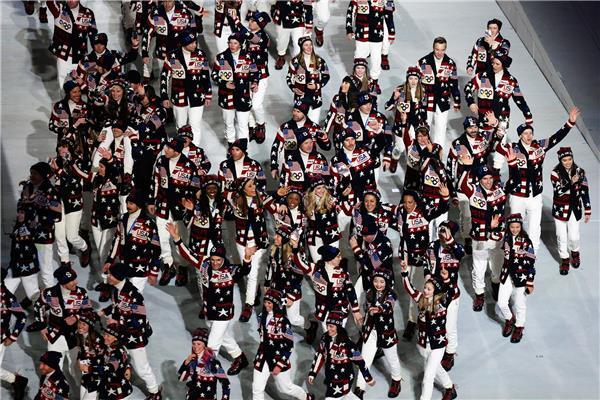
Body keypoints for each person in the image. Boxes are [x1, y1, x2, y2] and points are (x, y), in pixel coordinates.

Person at [169, 231, 253, 376]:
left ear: (223, 259)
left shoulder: (230, 271)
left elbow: (244, 270)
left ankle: (203, 375)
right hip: (209, 311)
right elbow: (187, 255)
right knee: (222, 336)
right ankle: (240, 357)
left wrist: (247, 257)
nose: (215, 263)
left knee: (212, 345)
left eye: (218, 260)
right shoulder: (204, 263)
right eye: (213, 259)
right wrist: (177, 238)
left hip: (223, 314)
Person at [496, 107, 580, 251]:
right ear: (520, 135)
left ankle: (532, 254)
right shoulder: (512, 148)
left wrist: (570, 123)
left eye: (530, 133)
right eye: (525, 133)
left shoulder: (540, 146)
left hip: (535, 195)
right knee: (515, 225)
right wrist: (498, 132)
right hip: (517, 195)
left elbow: (556, 138)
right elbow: (498, 147)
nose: (529, 135)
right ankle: (515, 252)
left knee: (535, 227)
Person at [392, 187, 449, 340]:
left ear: (416, 202)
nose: (407, 205)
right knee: (410, 288)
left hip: (422, 260)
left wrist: (445, 197)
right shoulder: (400, 212)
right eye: (405, 202)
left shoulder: (424, 212)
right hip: (406, 258)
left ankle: (417, 320)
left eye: (410, 202)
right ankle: (414, 319)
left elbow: (441, 209)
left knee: (421, 289)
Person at [99, 262, 162, 399]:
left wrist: (118, 322)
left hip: (134, 336)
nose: (108, 276)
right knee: (120, 359)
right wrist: (104, 311)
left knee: (142, 368)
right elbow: (118, 306)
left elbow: (140, 319)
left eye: (111, 275)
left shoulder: (134, 295)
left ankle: (155, 392)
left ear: (119, 277)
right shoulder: (117, 289)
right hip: (121, 334)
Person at [464, 48, 532, 170]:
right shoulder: (482, 76)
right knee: (482, 143)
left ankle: (496, 170)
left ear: (503, 65)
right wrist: (471, 102)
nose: (494, 66)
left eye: (497, 64)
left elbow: (519, 99)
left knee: (501, 141)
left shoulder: (511, 81)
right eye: (493, 63)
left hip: (502, 117)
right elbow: (468, 88)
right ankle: (481, 169)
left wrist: (527, 115)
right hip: (484, 116)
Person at [400, 261, 457, 400]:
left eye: (429, 289)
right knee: (437, 368)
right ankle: (450, 387)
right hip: (423, 345)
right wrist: (404, 272)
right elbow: (409, 288)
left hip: (438, 345)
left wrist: (447, 279)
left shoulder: (442, 302)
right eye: (425, 287)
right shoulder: (421, 299)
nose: (425, 290)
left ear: (436, 291)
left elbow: (452, 291)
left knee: (428, 378)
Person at [446, 114, 503, 253]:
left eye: (475, 126)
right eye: (470, 127)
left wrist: (497, 126)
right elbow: (450, 166)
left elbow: (497, 139)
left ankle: (484, 235)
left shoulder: (483, 138)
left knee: (481, 213)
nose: (473, 129)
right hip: (464, 185)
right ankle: (467, 238)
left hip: (481, 185)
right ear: (465, 128)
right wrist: (452, 191)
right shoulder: (458, 144)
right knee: (466, 215)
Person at [149, 136, 200, 286]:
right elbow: (155, 181)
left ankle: (182, 267)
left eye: (169, 148)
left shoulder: (190, 166)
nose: (166, 150)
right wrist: (152, 201)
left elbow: (195, 189)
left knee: (180, 238)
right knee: (163, 237)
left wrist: (190, 205)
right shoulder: (161, 161)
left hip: (180, 209)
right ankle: (168, 265)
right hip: (163, 205)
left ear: (177, 151)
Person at [458, 162, 506, 311]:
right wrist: (466, 167)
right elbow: (462, 184)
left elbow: (516, 180)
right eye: (485, 178)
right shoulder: (473, 191)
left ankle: (496, 285)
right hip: (479, 238)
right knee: (479, 268)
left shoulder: (500, 189)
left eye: (490, 178)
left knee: (497, 265)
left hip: (497, 236)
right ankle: (479, 296)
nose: (488, 181)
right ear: (479, 179)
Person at [225, 177, 275, 321]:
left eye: (254, 185)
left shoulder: (260, 197)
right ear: (242, 189)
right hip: (242, 243)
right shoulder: (235, 199)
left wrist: (278, 197)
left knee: (252, 274)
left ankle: (248, 305)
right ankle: (254, 291)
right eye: (250, 186)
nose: (254, 188)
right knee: (247, 271)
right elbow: (223, 192)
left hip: (258, 242)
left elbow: (274, 206)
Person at [29, 266, 92, 379]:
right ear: (63, 282)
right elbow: (38, 307)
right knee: (53, 368)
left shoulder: (81, 293)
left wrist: (76, 317)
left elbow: (88, 311)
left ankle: (80, 388)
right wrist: (42, 326)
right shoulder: (49, 293)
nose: (76, 282)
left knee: (76, 368)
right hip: (55, 335)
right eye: (71, 281)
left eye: (75, 279)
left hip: (76, 336)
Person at [252, 289, 314, 400]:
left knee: (285, 388)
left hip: (278, 358)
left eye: (269, 303)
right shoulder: (261, 317)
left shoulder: (284, 322)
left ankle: (305, 397)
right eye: (265, 302)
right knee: (257, 389)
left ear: (275, 303)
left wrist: (280, 364)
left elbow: (289, 346)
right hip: (262, 357)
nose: (266, 305)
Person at [291, 244, 362, 336]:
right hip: (324, 311)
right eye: (338, 256)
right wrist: (295, 247)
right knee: (328, 334)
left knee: (339, 333)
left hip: (340, 310)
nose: (340, 258)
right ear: (330, 259)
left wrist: (356, 311)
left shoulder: (343, 273)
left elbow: (350, 291)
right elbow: (300, 263)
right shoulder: (315, 270)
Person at [354, 269, 402, 399]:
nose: (378, 284)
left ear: (387, 282)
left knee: (392, 359)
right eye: (376, 281)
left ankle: (396, 380)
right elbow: (366, 309)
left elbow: (388, 305)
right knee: (364, 361)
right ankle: (360, 387)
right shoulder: (370, 292)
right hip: (371, 331)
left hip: (386, 333)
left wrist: (379, 309)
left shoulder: (391, 295)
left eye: (382, 281)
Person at [160, 30, 212, 147]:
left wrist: (208, 94)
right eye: (191, 43)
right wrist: (164, 97)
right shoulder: (172, 57)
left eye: (195, 42)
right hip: (179, 97)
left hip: (197, 96)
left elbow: (205, 75)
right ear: (184, 44)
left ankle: (195, 150)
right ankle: (181, 149)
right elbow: (164, 77)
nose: (195, 45)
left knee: (195, 125)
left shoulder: (201, 55)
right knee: (180, 126)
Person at [103, 190, 161, 295]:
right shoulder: (122, 218)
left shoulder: (149, 223)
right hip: (124, 266)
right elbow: (117, 240)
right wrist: (110, 260)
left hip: (140, 268)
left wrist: (154, 271)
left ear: (139, 205)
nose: (127, 206)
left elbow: (156, 248)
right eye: (127, 203)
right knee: (122, 296)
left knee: (135, 297)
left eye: (131, 203)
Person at [425, 221, 465, 371]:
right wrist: (427, 275)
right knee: (432, 321)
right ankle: (435, 346)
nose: (442, 232)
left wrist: (449, 240)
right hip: (433, 294)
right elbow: (426, 262)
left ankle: (450, 353)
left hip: (450, 294)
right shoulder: (432, 246)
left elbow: (461, 254)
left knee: (449, 326)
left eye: (446, 230)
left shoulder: (456, 248)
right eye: (441, 229)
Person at [307, 312, 375, 399]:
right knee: (347, 395)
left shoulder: (348, 344)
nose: (328, 329)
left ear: (338, 327)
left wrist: (368, 377)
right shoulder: (325, 338)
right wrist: (313, 373)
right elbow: (320, 355)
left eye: (331, 326)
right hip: (331, 377)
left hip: (343, 380)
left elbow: (360, 361)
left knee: (335, 396)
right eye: (327, 325)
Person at [18, 162, 62, 288]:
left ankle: (50, 292)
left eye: (35, 174)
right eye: (31, 173)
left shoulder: (50, 190)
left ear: (43, 175)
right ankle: (33, 294)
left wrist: (42, 202)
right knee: (28, 265)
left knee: (45, 266)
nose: (32, 176)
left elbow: (58, 211)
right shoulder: (28, 188)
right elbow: (21, 205)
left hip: (42, 235)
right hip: (27, 233)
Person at [50, 138, 92, 269]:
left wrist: (60, 170)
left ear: (71, 148)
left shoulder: (78, 161)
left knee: (72, 237)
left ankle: (85, 248)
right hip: (57, 202)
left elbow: (84, 178)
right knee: (59, 235)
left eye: (65, 147)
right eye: (60, 147)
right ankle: (65, 261)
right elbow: (46, 177)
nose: (61, 149)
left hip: (73, 202)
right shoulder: (54, 161)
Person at [212, 32, 259, 144]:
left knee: (243, 125)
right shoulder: (221, 57)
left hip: (243, 95)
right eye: (230, 42)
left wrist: (255, 83)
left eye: (235, 43)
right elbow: (214, 75)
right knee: (229, 123)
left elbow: (255, 72)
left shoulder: (249, 57)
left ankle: (243, 148)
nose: (232, 45)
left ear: (241, 44)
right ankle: (231, 143)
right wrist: (224, 83)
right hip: (226, 96)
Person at [551, 146, 591, 274]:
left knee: (574, 236)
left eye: (570, 159)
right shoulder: (555, 173)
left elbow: (584, 191)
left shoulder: (580, 171)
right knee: (561, 236)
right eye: (564, 160)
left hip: (574, 208)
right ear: (560, 160)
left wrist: (587, 209)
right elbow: (558, 192)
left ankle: (575, 253)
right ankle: (564, 259)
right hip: (560, 209)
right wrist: (571, 183)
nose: (568, 162)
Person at [497, 213, 536, 344]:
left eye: (517, 227)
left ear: (521, 226)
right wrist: (498, 222)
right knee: (502, 303)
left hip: (521, 277)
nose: (515, 229)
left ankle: (519, 326)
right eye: (512, 227)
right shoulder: (506, 238)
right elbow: (494, 233)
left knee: (520, 304)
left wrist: (530, 282)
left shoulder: (526, 241)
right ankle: (509, 319)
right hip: (507, 274)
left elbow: (531, 262)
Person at [417, 37, 461, 150]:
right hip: (426, 100)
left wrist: (457, 100)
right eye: (437, 49)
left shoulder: (450, 64)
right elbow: (415, 81)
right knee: (424, 127)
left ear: (445, 49)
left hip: (443, 100)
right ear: (433, 48)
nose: (439, 53)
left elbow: (454, 83)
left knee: (441, 128)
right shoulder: (423, 62)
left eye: (442, 50)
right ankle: (424, 152)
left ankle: (437, 153)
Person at [235, 11, 271, 143]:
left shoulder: (263, 37)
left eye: (253, 20)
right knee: (247, 102)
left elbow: (250, 36)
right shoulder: (245, 36)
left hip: (261, 76)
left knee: (256, 105)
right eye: (250, 20)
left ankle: (261, 125)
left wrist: (237, 22)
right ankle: (252, 126)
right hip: (246, 75)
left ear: (260, 24)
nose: (250, 22)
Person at [270, 100, 331, 178]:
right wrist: (274, 167)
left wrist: (325, 140)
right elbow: (276, 147)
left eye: (298, 111)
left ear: (304, 113)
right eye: (294, 110)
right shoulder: (286, 127)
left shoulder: (314, 128)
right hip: (292, 166)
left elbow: (326, 147)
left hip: (310, 167)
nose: (295, 113)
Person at [47, 0, 98, 89]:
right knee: (63, 85)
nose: (70, 0)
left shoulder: (88, 13)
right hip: (63, 57)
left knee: (80, 86)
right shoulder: (59, 9)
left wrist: (98, 55)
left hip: (80, 58)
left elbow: (93, 36)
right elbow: (50, 2)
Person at [346, 0, 395, 89]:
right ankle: (358, 80)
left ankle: (374, 81)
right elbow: (351, 12)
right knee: (359, 57)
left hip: (376, 35)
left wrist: (391, 32)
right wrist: (349, 29)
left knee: (376, 59)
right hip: (361, 34)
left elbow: (388, 14)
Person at [142, 0, 195, 82]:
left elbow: (192, 34)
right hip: (161, 55)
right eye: (165, 1)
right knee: (163, 80)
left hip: (177, 56)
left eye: (169, 1)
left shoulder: (185, 13)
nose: (167, 4)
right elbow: (147, 33)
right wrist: (144, 53)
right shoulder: (155, 13)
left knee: (176, 81)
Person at [286, 36, 330, 122]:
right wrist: (293, 88)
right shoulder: (295, 62)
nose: (309, 47)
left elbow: (326, 76)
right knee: (300, 123)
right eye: (306, 45)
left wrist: (317, 86)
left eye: (310, 44)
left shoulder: (319, 61)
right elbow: (289, 77)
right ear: (301, 47)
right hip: (300, 97)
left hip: (315, 97)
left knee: (314, 122)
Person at [178, 328, 231, 400]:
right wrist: (186, 363)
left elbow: (226, 383)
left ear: (205, 345)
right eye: (194, 344)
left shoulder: (212, 362)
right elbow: (181, 379)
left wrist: (225, 398)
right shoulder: (192, 360)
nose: (195, 347)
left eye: (199, 344)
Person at [6, 207, 41, 309]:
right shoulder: (18, 226)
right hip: (15, 267)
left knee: (34, 296)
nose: (18, 215)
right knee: (4, 292)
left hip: (28, 268)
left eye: (22, 213)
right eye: (18, 212)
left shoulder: (29, 227)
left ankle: (41, 316)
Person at [0, 280, 29, 400]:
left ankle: (17, 381)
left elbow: (22, 317)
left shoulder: (8, 298)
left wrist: (13, 336)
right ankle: (17, 380)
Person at [95, 322, 134, 399]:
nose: (104, 337)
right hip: (110, 387)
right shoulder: (110, 346)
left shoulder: (117, 352)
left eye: (108, 335)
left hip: (119, 392)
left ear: (116, 338)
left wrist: (90, 368)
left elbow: (111, 366)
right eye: (105, 334)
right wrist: (128, 367)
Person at [271, 0, 313, 70]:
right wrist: (274, 12)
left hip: (299, 21)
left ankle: (296, 60)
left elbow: (308, 6)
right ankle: (281, 55)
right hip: (283, 20)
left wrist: (309, 23)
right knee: (281, 42)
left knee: (299, 44)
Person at [75, 311, 105, 400]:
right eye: (79, 323)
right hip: (85, 374)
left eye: (84, 324)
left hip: (95, 375)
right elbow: (81, 352)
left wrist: (90, 368)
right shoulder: (80, 335)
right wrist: (78, 360)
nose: (80, 326)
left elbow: (103, 360)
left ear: (90, 326)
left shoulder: (97, 339)